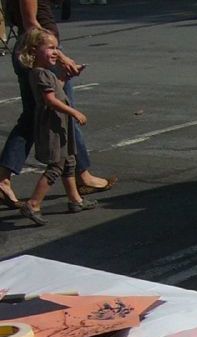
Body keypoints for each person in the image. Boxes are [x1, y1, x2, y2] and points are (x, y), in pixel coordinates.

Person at [0, 0, 114, 209]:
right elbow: (30, 23)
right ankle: (76, 179)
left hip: (39, 51)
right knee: (62, 115)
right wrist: (59, 55)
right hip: (40, 54)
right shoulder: (44, 56)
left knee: (31, 118)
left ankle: (5, 179)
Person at [15, 27, 94, 224]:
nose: (56, 52)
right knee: (56, 166)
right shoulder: (39, 74)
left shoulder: (46, 73)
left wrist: (67, 77)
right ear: (34, 51)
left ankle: (75, 200)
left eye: (57, 48)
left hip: (59, 124)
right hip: (52, 126)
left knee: (69, 161)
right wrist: (74, 112)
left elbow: (56, 88)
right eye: (50, 48)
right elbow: (50, 100)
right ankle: (33, 204)